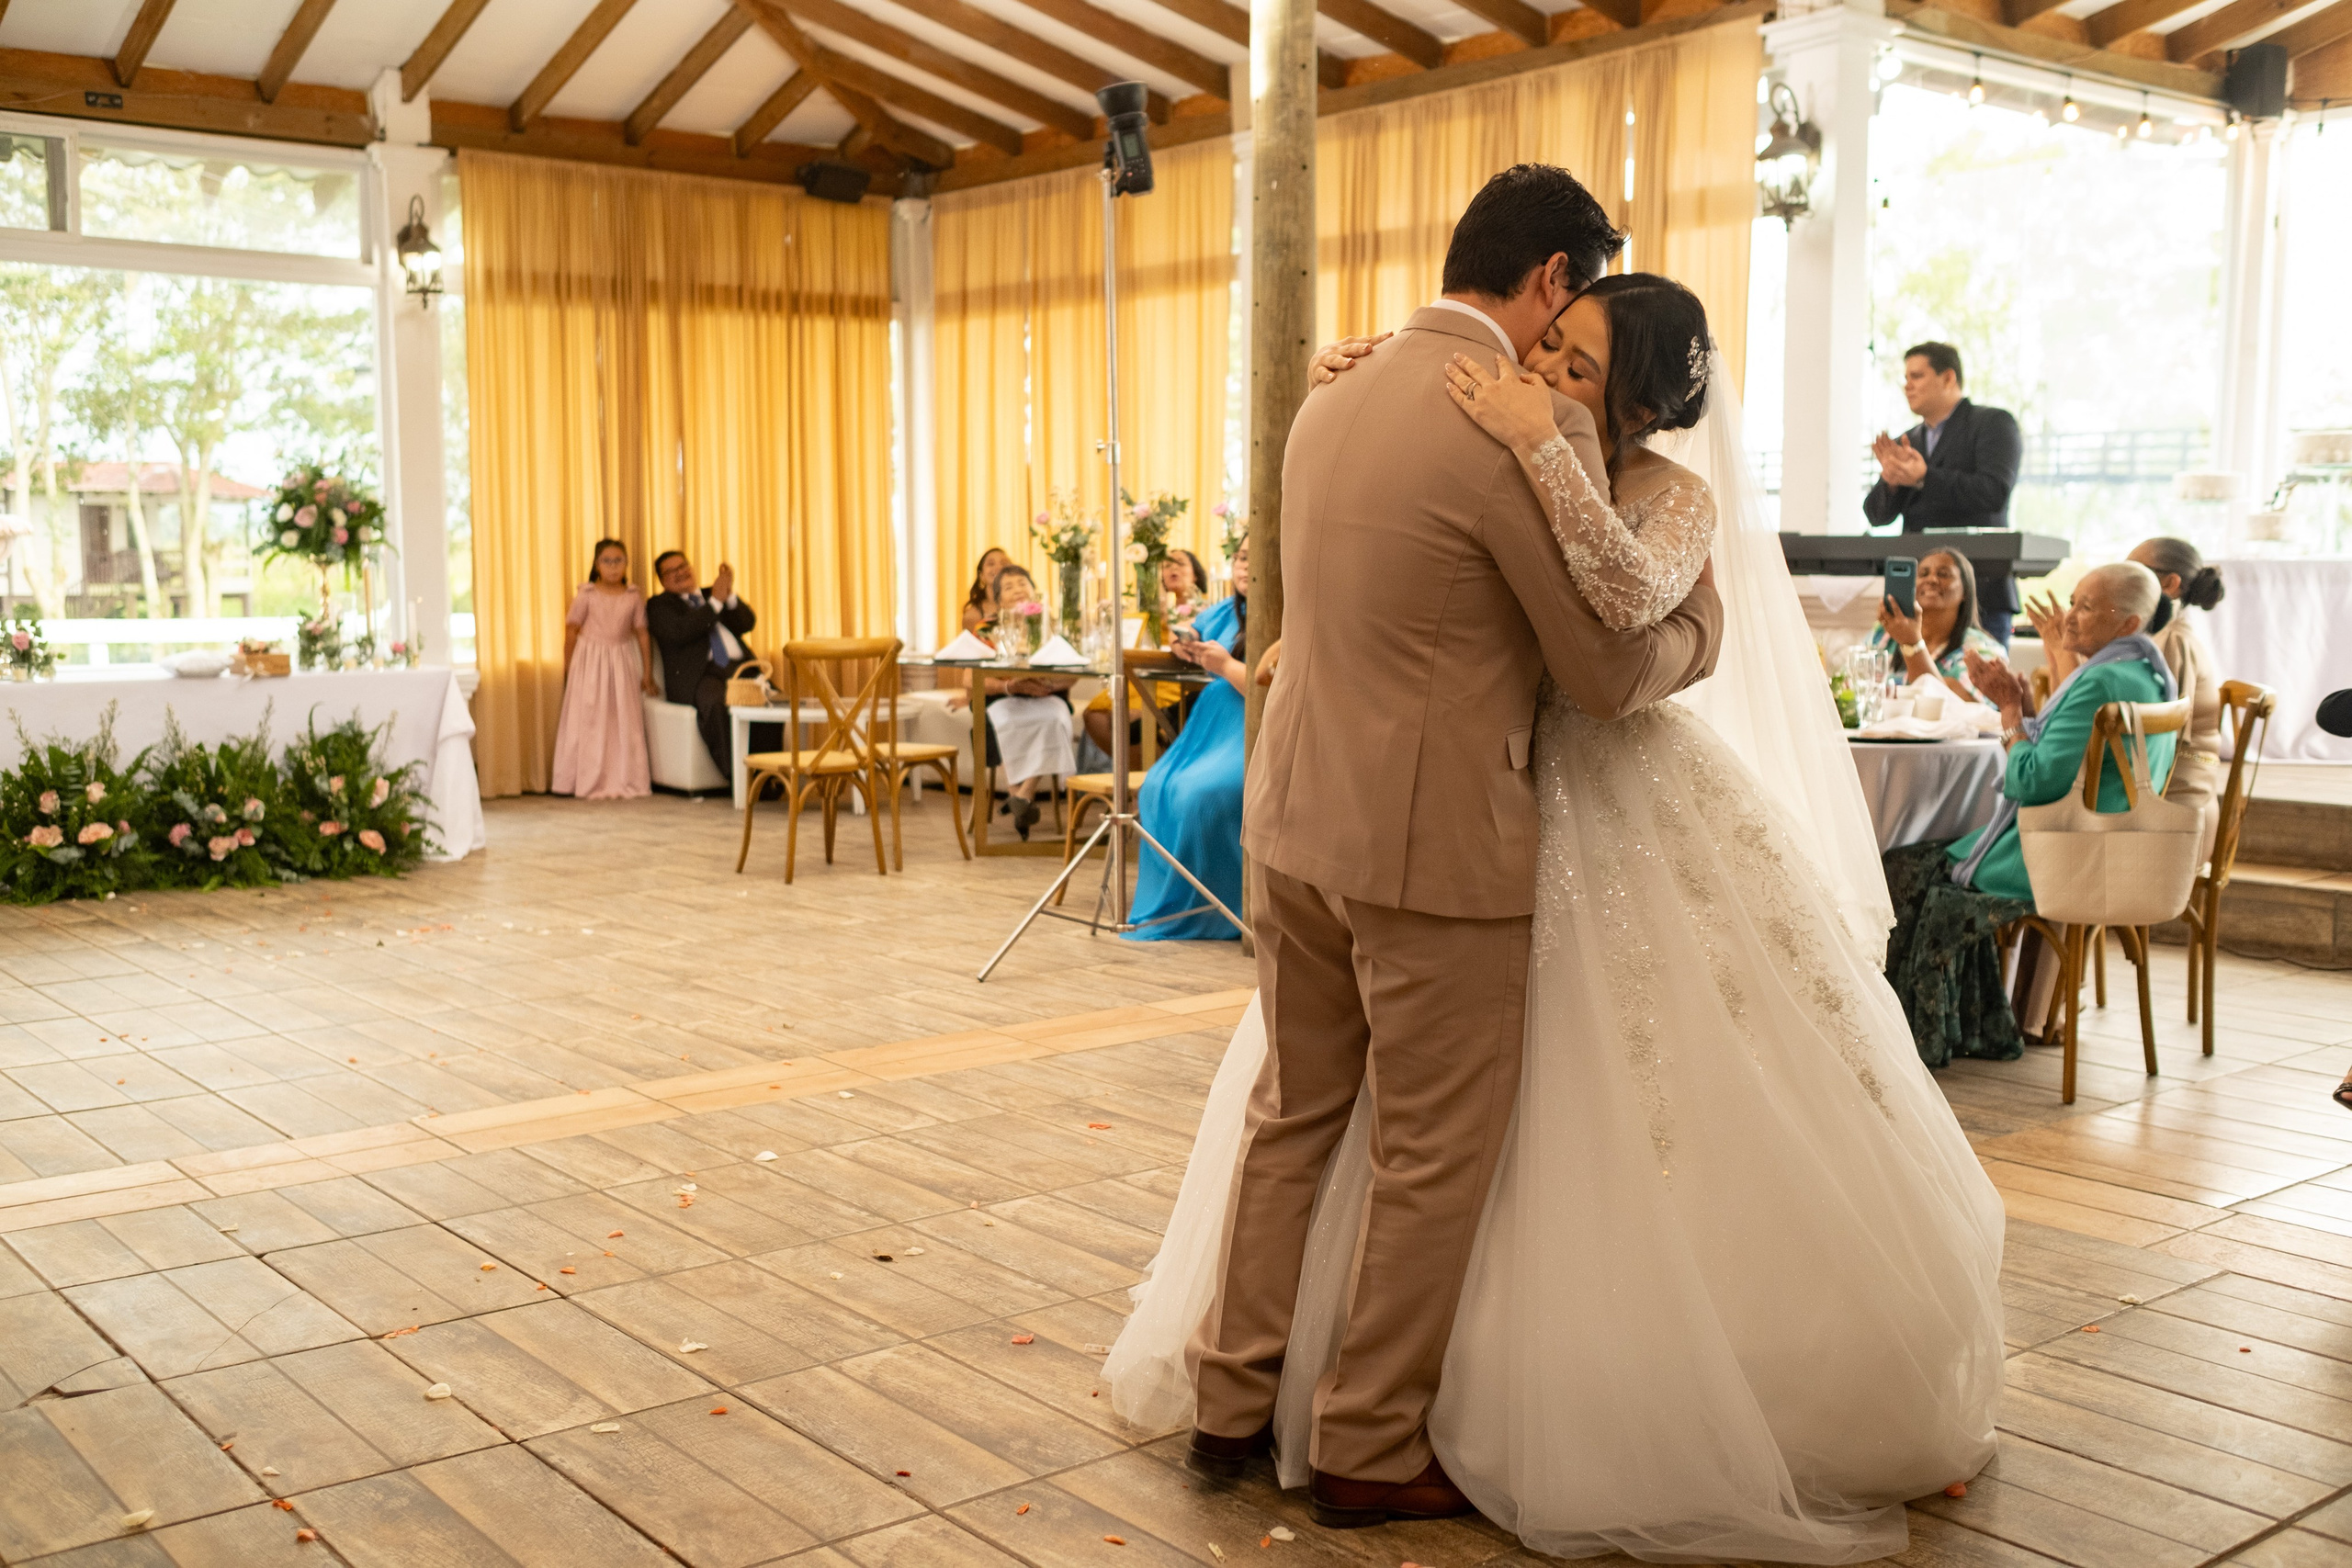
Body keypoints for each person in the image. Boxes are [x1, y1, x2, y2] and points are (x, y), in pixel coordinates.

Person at [1111, 168, 2000, 1564]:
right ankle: (1365, 1446)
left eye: (1581, 358)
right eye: (1561, 327)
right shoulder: (1503, 436)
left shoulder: (1332, 392)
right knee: (1426, 1152)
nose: (1551, 360)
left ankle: (1230, 1406)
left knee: (1294, 1115)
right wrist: (1704, 631)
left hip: (1295, 821)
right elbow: (1597, 670)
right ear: (1548, 280)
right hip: (1429, 838)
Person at [1882, 563, 2178, 1067]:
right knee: (1923, 862)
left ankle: (1917, 1036)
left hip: (2063, 853)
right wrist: (2020, 705)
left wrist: (2010, 714)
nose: (2070, 617)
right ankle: (1967, 1026)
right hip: (2106, 844)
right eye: (2074, 601)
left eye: (2087, 607)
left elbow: (2033, 780)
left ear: (2128, 624)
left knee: (1903, 867)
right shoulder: (2145, 673)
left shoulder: (2102, 681)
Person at [2033, 539, 2224, 830]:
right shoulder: (2148, 642)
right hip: (2150, 790)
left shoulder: (2170, 641)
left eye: (2135, 568)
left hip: (2173, 801)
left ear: (2170, 584)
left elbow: (2151, 734)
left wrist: (2064, 653)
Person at [1125, 541, 1249, 942]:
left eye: (1255, 558)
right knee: (1156, 787)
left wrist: (1226, 666)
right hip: (1213, 723)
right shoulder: (1223, 611)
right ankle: (1177, 904)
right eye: (1241, 557)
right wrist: (1184, 644)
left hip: (1251, 722)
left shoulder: (1288, 613)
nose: (1245, 566)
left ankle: (1223, 908)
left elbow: (1280, 689)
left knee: (1204, 796)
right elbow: (1191, 632)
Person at [1862, 343, 2024, 642]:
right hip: (1920, 597)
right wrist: (1891, 481)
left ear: (1948, 378)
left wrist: (1925, 477)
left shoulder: (1992, 423)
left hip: (1981, 589)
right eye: (1905, 378)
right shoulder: (1907, 441)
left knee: (1979, 672)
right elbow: (1876, 515)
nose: (1907, 386)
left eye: (1917, 376)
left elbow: (1994, 492)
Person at [946, 562, 1076, 840]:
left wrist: (1049, 685)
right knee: (1004, 721)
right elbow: (969, 679)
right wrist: (1010, 685)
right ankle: (1021, 798)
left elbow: (1073, 673)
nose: (1017, 590)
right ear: (998, 600)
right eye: (1008, 587)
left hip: (1045, 697)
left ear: (1034, 590)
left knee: (1054, 718)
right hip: (1003, 697)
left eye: (1022, 583)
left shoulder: (1052, 624)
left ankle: (1021, 795)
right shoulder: (987, 628)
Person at [550, 538, 657, 800]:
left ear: (626, 564)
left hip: (621, 662)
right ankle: (582, 778)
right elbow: (571, 631)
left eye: (618, 561)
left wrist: (647, 672)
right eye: (606, 561)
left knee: (622, 720)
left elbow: (642, 634)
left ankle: (625, 776)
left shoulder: (632, 596)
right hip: (590, 662)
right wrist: (568, 668)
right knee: (588, 718)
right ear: (597, 565)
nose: (613, 566)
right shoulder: (587, 595)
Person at [646, 550, 764, 776]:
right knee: (716, 705)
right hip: (701, 676)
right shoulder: (659, 606)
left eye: (683, 566)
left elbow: (746, 623)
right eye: (671, 571)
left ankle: (768, 777)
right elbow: (680, 632)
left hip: (740, 670)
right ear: (662, 580)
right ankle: (738, 778)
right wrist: (715, 604)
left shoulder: (713, 593)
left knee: (772, 705)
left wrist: (728, 595)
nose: (680, 572)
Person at [1083, 548, 1204, 758]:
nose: (1173, 568)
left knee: (1132, 715)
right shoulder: (1152, 607)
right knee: (1095, 714)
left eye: (1180, 563)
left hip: (1179, 676)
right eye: (1167, 565)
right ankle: (1135, 772)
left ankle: (1155, 768)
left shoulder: (1206, 607)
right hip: (1145, 671)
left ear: (1195, 575)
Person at [1869, 547, 2005, 702]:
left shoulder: (1981, 649)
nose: (1932, 580)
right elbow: (1853, 684)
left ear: (1966, 591)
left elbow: (1964, 708)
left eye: (1943, 574)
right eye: (1923, 574)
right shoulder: (1884, 636)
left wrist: (1911, 644)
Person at [960, 547, 1011, 633]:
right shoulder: (973, 616)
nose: (998, 567)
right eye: (991, 564)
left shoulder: (1022, 606)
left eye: (1004, 563)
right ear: (981, 575)